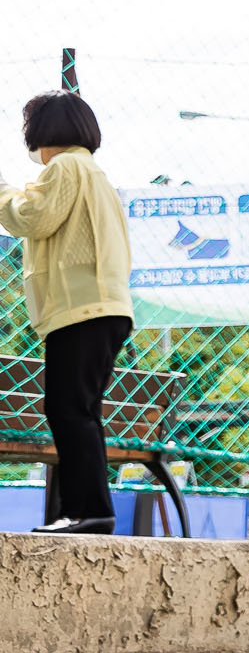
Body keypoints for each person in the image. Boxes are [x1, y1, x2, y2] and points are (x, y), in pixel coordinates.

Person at [1, 92, 134, 536]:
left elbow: (34, 218)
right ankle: (87, 511)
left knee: (67, 409)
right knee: (79, 410)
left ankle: (88, 511)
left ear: (41, 134)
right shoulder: (93, 172)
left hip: (82, 310)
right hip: (105, 307)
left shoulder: (64, 167)